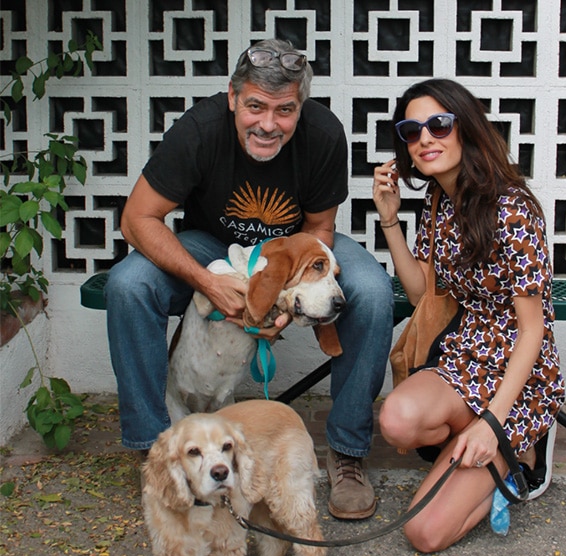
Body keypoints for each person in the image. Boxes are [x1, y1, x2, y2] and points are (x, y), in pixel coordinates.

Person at [106, 38, 394, 519]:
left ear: (300, 108)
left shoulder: (323, 135)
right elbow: (137, 219)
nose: (268, 123)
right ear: (233, 97)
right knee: (128, 285)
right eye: (255, 106)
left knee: (372, 291)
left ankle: (346, 452)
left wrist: (286, 300)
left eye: (284, 110)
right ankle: (154, 450)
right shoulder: (198, 130)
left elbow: (319, 229)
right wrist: (206, 281)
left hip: (294, 248)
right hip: (211, 246)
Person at [372, 78, 565, 552]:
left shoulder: (513, 211)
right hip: (466, 356)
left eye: (438, 124)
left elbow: (533, 329)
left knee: (423, 533)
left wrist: (491, 423)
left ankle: (521, 448)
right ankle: (482, 452)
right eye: (412, 131)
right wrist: (390, 219)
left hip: (519, 373)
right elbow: (422, 294)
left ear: (467, 128)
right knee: (396, 420)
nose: (425, 139)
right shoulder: (437, 201)